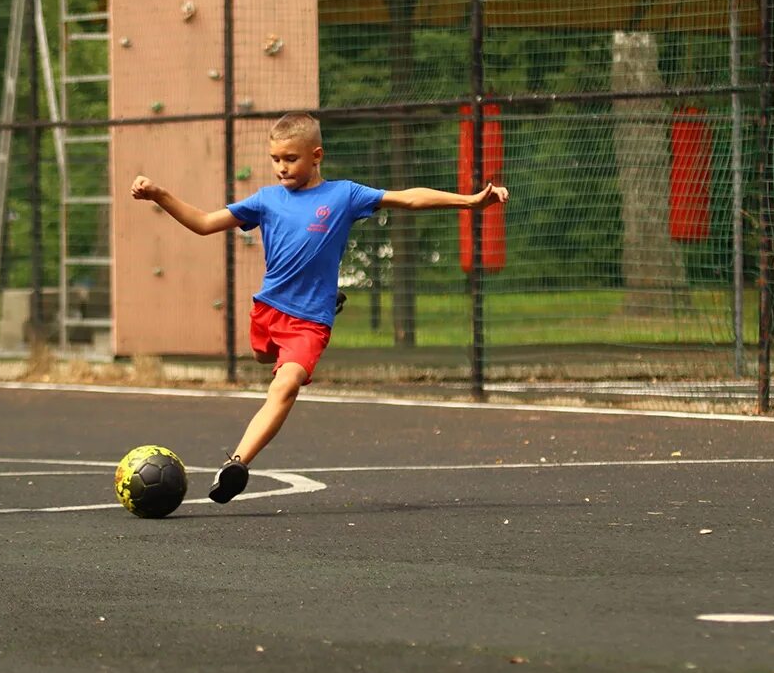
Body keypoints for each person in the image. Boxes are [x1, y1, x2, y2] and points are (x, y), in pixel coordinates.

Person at [131, 112, 509, 503]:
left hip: (309, 322)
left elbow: (407, 198)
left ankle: (237, 463)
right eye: (275, 159)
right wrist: (160, 194)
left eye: (290, 159)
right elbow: (206, 222)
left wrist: (470, 202)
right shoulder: (266, 200)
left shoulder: (343, 195)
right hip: (268, 310)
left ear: (316, 155)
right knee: (263, 357)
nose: (281, 167)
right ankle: (309, 320)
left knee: (285, 384)